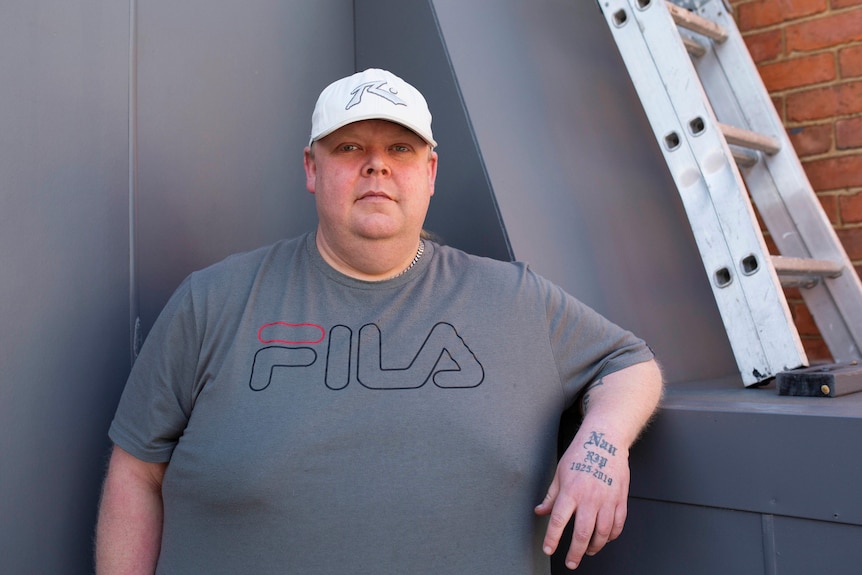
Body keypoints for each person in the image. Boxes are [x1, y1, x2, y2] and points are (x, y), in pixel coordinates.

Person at [95, 68, 663, 574]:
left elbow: (629, 361)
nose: (377, 165)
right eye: (348, 147)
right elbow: (136, 475)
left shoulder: (514, 298)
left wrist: (602, 443)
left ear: (431, 171)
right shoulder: (213, 300)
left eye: (400, 147)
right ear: (311, 168)